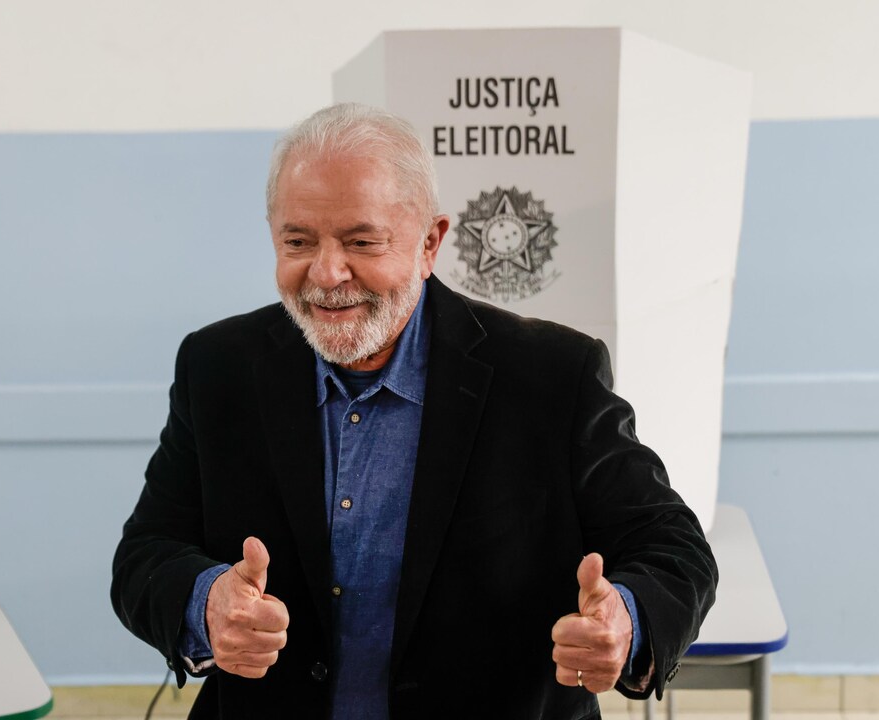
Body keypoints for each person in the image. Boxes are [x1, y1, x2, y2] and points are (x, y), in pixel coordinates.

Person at [111, 103, 717, 720]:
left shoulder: (552, 375)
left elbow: (673, 549)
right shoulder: (217, 366)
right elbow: (145, 553)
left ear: (430, 243)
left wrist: (627, 619)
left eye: (361, 242)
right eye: (298, 241)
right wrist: (205, 602)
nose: (327, 272)